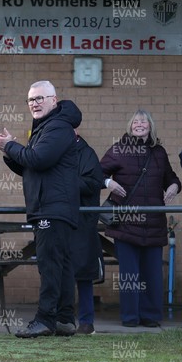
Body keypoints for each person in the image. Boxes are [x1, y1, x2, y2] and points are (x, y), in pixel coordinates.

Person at [0, 80, 80, 338]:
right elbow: (30, 166)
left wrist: (10, 146)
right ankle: (65, 319)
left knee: (49, 265)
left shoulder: (57, 127)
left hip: (52, 208)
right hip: (51, 207)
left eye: (40, 98)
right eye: (31, 100)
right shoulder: (46, 128)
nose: (35, 103)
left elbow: (38, 160)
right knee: (60, 264)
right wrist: (10, 152)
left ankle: (45, 320)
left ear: (55, 100)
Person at [100, 109, 180, 328]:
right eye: (136, 121)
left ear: (150, 126)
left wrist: (174, 185)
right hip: (126, 223)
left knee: (153, 274)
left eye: (144, 121)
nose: (140, 124)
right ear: (130, 126)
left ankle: (151, 316)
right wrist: (109, 183)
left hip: (154, 223)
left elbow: (170, 177)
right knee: (130, 275)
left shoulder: (159, 153)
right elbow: (96, 172)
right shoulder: (119, 150)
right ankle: (130, 317)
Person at [73, 130, 104, 335]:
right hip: (59, 221)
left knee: (83, 274)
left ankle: (86, 321)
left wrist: (65, 183)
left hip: (82, 223)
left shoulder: (87, 154)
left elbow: (93, 184)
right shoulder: (51, 151)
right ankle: (61, 319)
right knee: (58, 273)